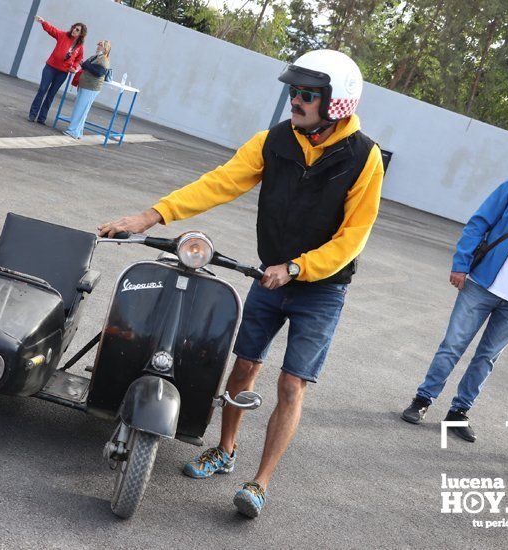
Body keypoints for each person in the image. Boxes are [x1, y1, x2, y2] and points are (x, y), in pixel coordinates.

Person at [98, 49, 384, 519]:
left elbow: (355, 236)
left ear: (338, 103)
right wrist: (149, 216)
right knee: (244, 368)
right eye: (294, 91)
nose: (296, 100)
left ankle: (260, 482)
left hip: (322, 288)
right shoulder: (274, 141)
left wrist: (297, 267)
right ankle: (225, 451)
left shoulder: (364, 157)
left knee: (292, 384)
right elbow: (220, 182)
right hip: (269, 279)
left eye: (308, 94)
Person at [401, 171, 508, 442]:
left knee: (487, 358)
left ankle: (459, 412)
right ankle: (422, 400)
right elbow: (478, 223)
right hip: (480, 285)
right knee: (452, 345)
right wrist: (461, 264)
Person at [28, 16, 85, 124]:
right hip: (50, 68)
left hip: (63, 73)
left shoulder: (80, 46)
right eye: (74, 27)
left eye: (77, 30)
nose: (74, 30)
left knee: (51, 94)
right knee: (42, 89)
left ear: (81, 34)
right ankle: (32, 114)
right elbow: (52, 30)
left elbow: (79, 58)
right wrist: (43, 22)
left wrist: (74, 67)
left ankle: (42, 118)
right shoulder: (63, 35)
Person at [63, 40, 110, 140]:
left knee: (81, 109)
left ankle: (73, 131)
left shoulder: (104, 59)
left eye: (100, 45)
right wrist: (84, 64)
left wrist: (86, 65)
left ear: (105, 48)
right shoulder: (95, 57)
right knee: (80, 109)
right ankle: (78, 132)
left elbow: (99, 72)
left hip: (91, 87)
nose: (98, 46)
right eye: (98, 44)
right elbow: (87, 66)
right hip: (85, 85)